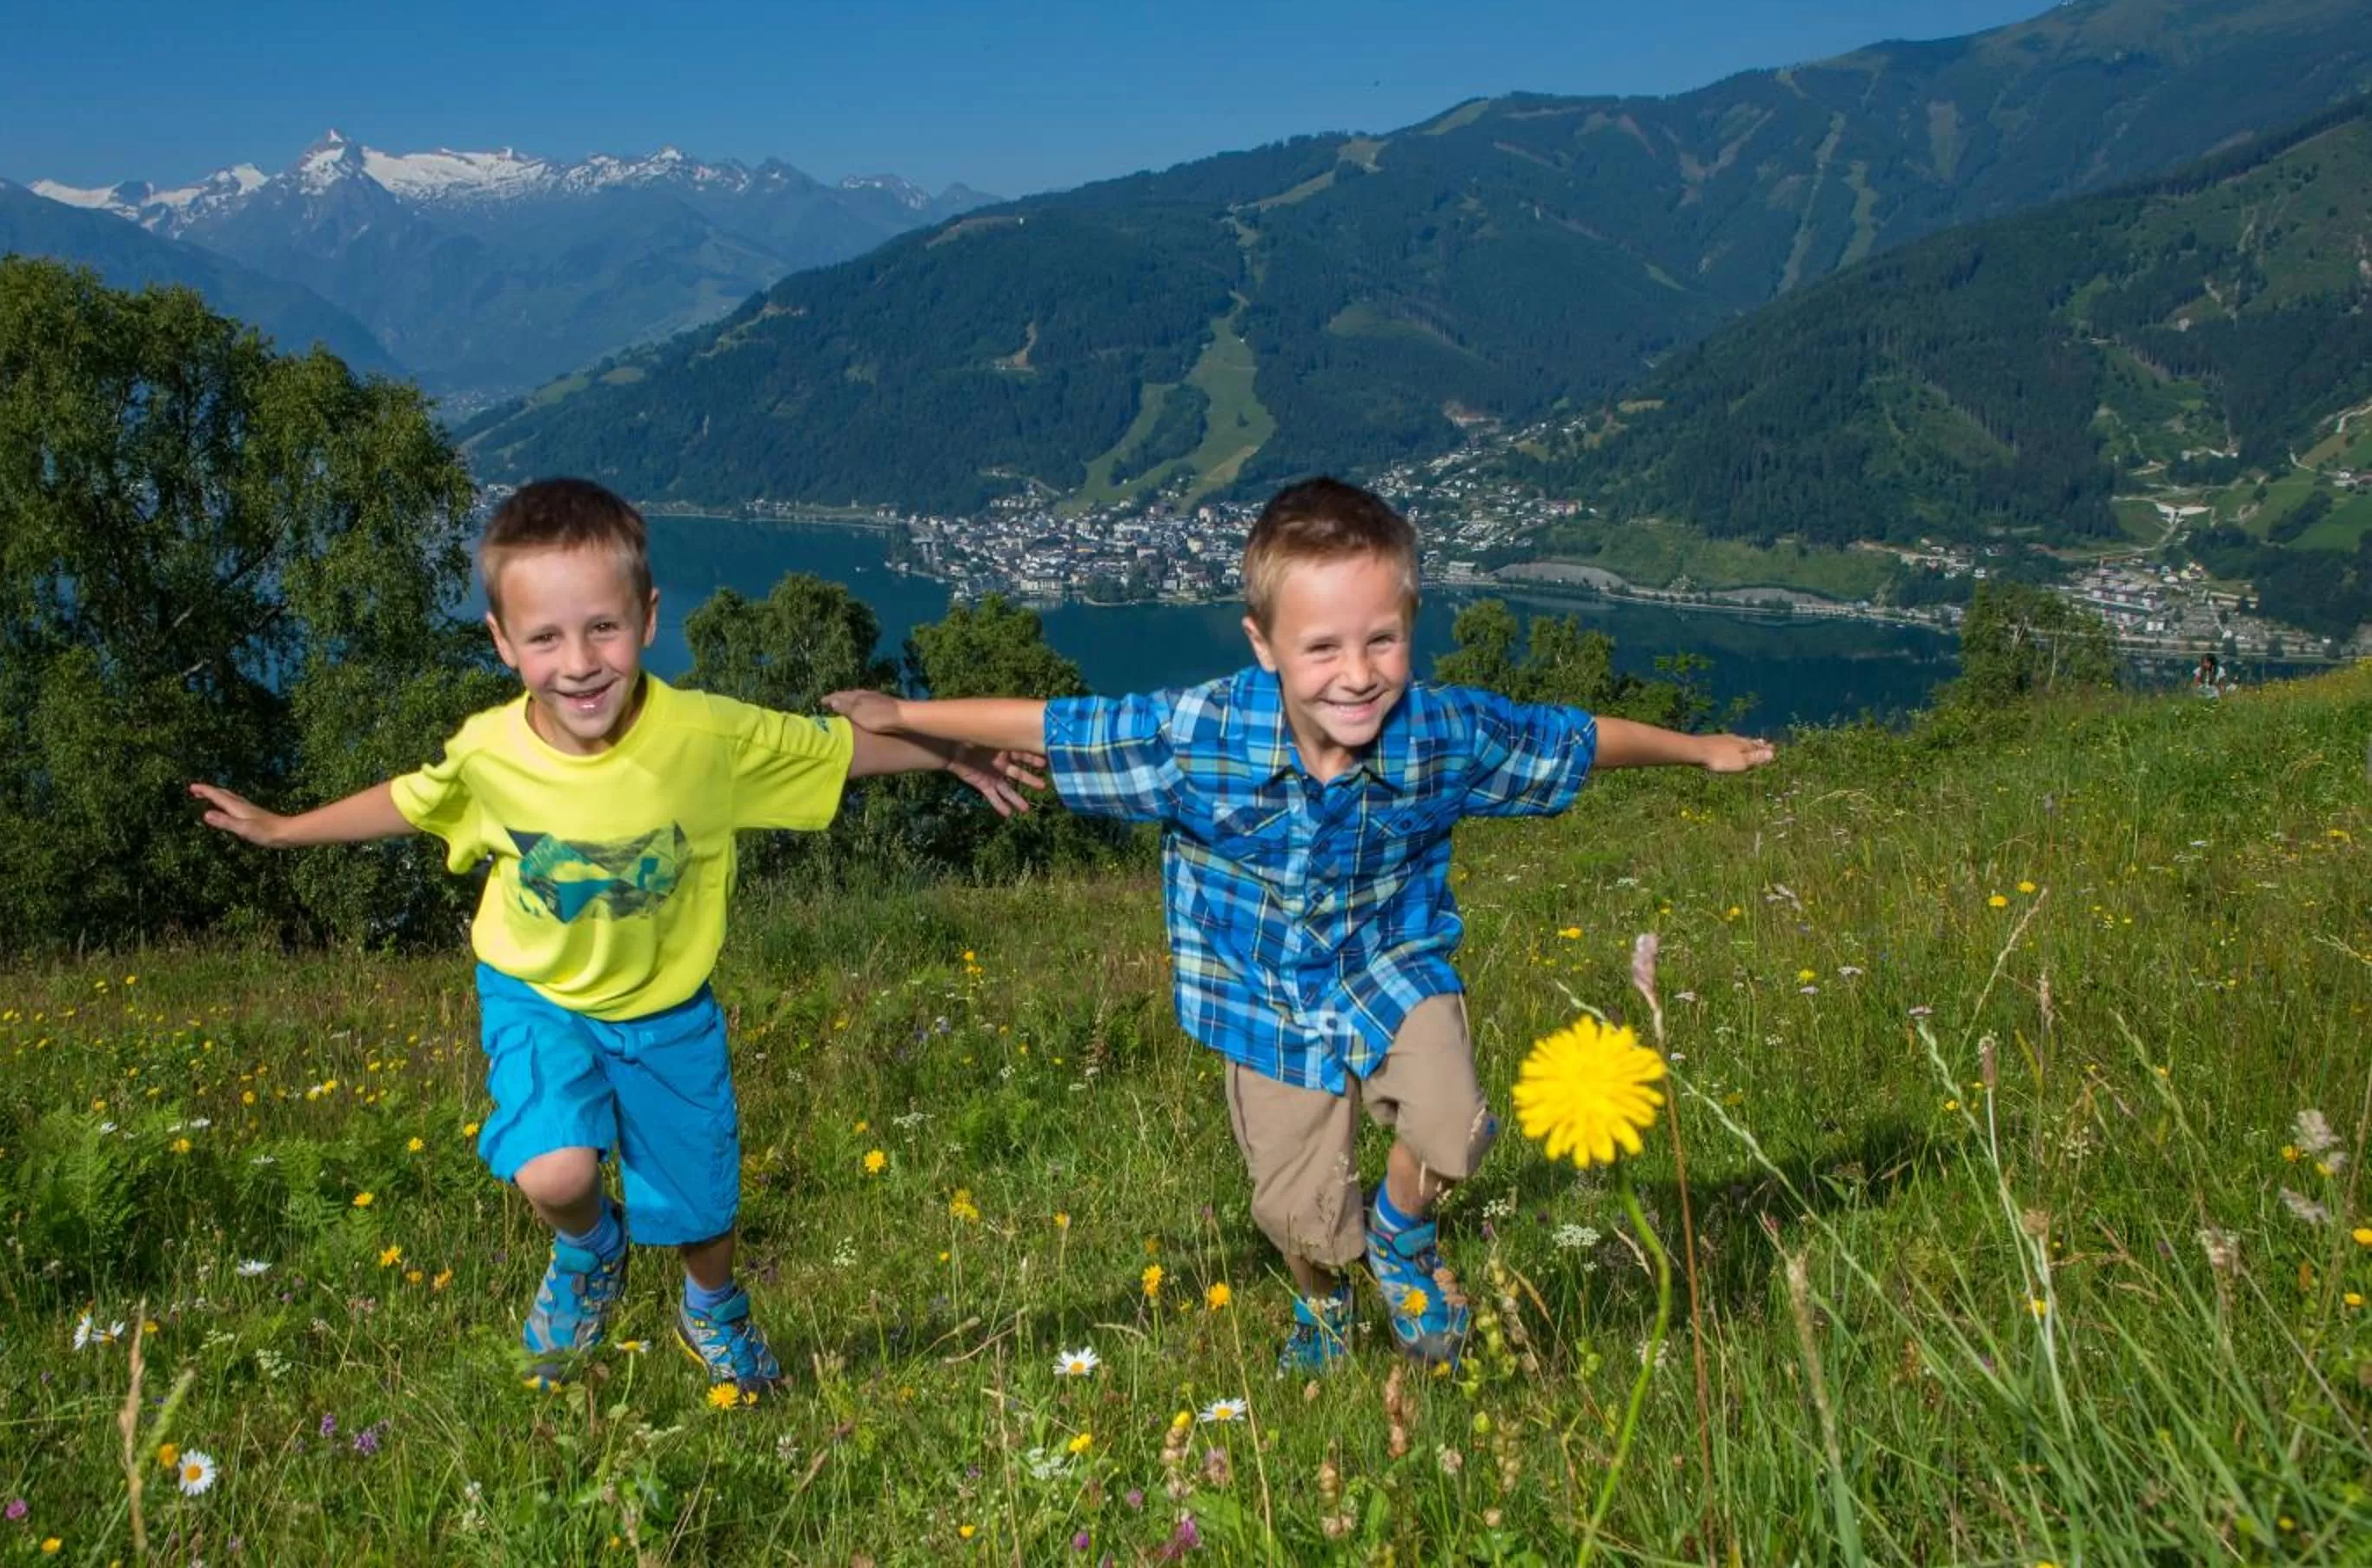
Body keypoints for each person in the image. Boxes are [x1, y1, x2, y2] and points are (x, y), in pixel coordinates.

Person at [827, 477, 1772, 1373]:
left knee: (1454, 1123)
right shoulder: (1199, 737)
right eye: (1322, 647)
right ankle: (1322, 1296)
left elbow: (1568, 740)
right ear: (1263, 642)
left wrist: (1698, 750)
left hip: (1395, 964)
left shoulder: (1442, 735)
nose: (1358, 676)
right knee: (1300, 1211)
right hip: (1260, 995)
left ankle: (1402, 1231)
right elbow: (1062, 725)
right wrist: (908, 714)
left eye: (1383, 640)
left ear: (1411, 627)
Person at [189, 478, 1033, 1395]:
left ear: (648, 615)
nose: (580, 661)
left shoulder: (705, 736)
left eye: (604, 627)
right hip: (537, 991)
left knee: (702, 1205)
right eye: (545, 636)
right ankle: (590, 1250)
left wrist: (950, 749)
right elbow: (408, 800)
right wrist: (281, 826)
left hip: (667, 1011)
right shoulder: (488, 750)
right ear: (502, 641)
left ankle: (712, 1309)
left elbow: (839, 750)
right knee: (553, 1170)